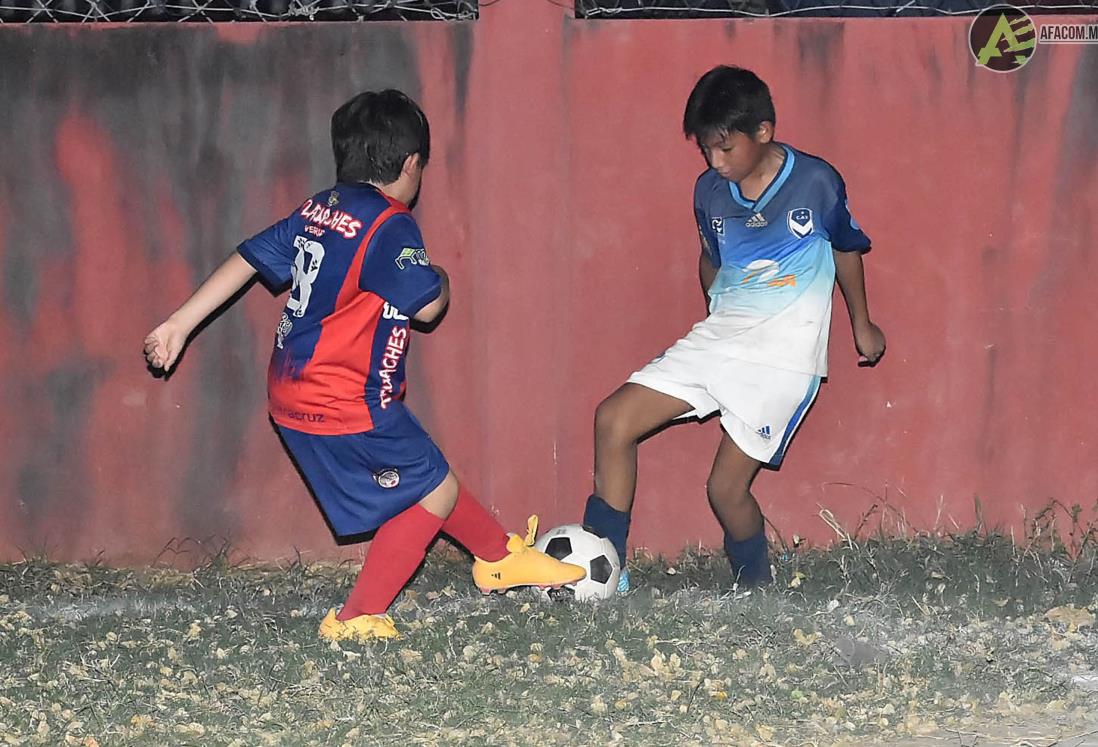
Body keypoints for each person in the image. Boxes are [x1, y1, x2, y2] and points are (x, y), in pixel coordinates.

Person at [143, 89, 584, 641]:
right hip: (346, 397)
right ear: (410, 165)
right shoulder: (390, 224)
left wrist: (179, 323)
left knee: (430, 472)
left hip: (292, 390)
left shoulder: (318, 208)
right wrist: (441, 276)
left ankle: (498, 557)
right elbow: (427, 308)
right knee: (435, 492)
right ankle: (357, 617)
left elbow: (249, 258)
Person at [582, 66, 886, 592]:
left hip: (784, 355)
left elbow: (845, 248)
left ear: (763, 131)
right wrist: (714, 315)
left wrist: (862, 323)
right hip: (721, 336)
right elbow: (711, 259)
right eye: (706, 151)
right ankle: (603, 575)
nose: (715, 163)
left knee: (724, 490)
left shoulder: (816, 181)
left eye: (725, 149)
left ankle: (756, 589)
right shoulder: (709, 192)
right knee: (612, 420)